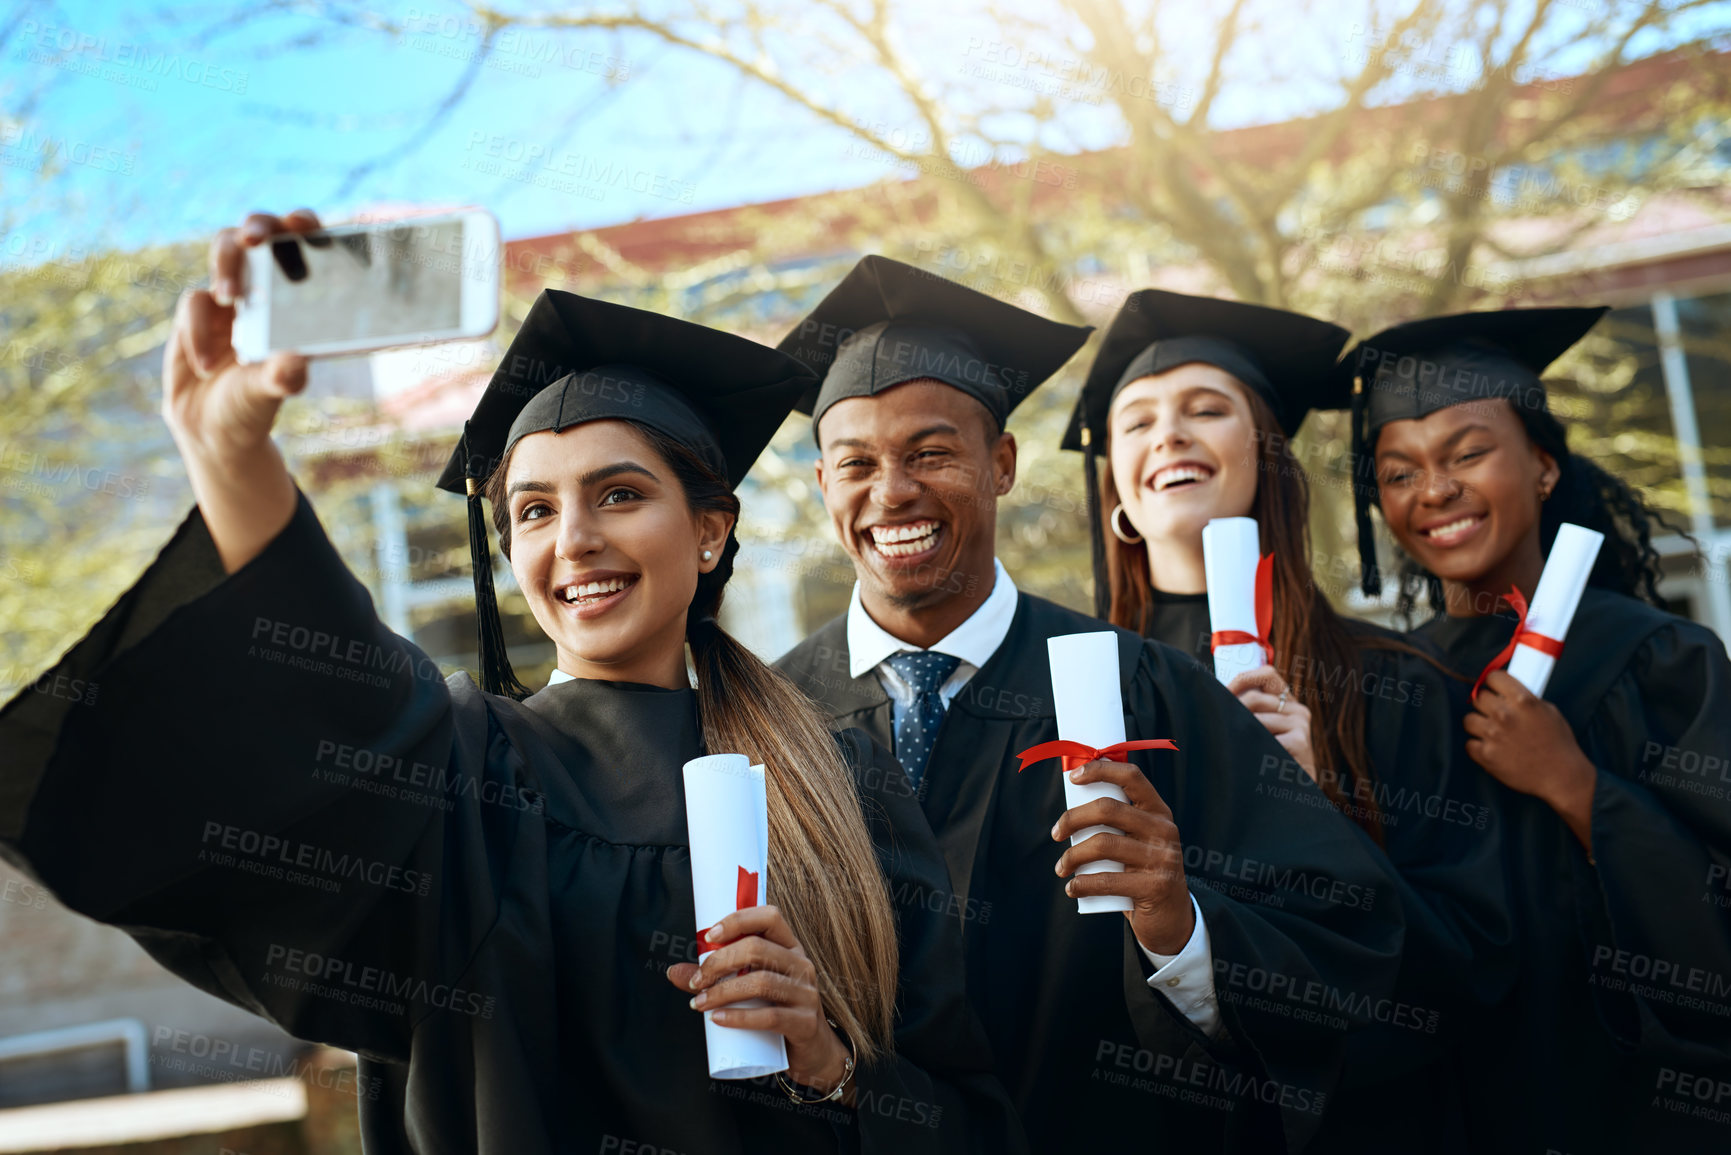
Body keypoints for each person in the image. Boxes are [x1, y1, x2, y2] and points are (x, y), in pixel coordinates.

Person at [0, 212, 1022, 1155]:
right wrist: (230, 454)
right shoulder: (467, 775)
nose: (573, 539)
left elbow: (972, 1114)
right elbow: (324, 679)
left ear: (710, 532)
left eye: (619, 494)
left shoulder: (843, 781)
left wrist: (832, 1069)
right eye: (531, 512)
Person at [773, 255, 1405, 1151]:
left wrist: (1180, 925)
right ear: (823, 485)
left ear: (1000, 463)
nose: (892, 491)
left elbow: (1346, 940)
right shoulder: (768, 720)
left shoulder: (1149, 687)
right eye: (856, 464)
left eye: (930, 452)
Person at [1067, 288, 1513, 1151]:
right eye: (1137, 421)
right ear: (1116, 482)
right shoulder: (1069, 693)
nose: (1169, 434)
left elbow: (1475, 967)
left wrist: (1317, 820)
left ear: (1267, 456)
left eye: (1205, 409)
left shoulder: (1395, 686)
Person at [1343, 305, 1731, 1154]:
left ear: (1544, 466)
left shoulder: (1658, 659)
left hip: (1637, 1113)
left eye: (1467, 453)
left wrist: (1577, 787)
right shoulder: (1374, 685)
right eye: (1398, 471)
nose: (1433, 491)